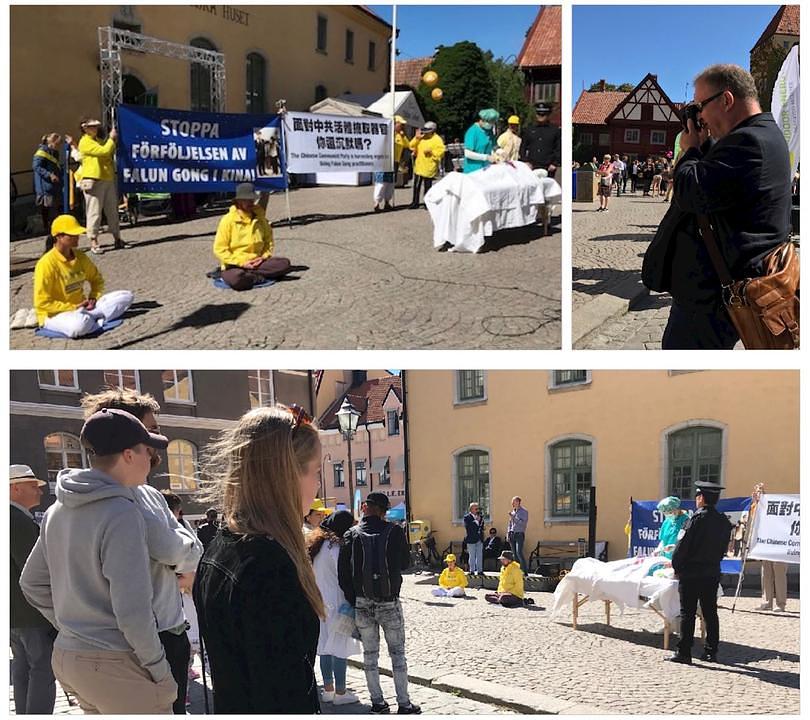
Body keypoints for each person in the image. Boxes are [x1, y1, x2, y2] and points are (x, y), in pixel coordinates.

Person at [20, 409, 177, 713]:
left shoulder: (57, 510)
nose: (152, 459)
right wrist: (160, 670)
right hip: (116, 663)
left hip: (70, 658)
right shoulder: (121, 513)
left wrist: (71, 624)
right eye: (148, 450)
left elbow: (32, 582)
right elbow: (133, 611)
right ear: (129, 455)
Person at [192, 404, 324, 713]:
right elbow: (282, 693)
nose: (318, 485)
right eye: (316, 472)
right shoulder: (269, 568)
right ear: (288, 476)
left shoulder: (221, 544)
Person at [79, 388, 203, 715]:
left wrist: (184, 550)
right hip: (150, 635)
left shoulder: (147, 492)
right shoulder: (125, 496)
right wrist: (184, 553)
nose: (157, 438)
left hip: (164, 626)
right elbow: (171, 547)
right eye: (151, 430)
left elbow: (185, 545)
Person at [655, 64, 791, 349]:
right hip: (718, 291)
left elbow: (690, 192)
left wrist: (690, 148)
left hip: (712, 301)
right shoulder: (763, 134)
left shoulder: (748, 141)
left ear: (727, 100)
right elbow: (718, 187)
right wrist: (703, 147)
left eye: (700, 106)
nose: (700, 117)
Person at [338, 492, 421, 714]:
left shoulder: (351, 534)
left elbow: (343, 574)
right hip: (388, 602)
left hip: (363, 603)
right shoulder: (394, 532)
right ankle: (404, 703)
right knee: (397, 654)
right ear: (384, 511)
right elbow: (405, 563)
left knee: (370, 656)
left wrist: (353, 599)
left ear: (365, 507)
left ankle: (377, 703)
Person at [33, 214, 134, 338]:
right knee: (78, 326)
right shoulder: (46, 263)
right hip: (56, 315)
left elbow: (96, 279)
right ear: (59, 236)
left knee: (127, 296)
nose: (77, 238)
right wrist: (73, 307)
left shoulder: (80, 256)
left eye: (77, 234)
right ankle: (95, 320)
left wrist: (93, 297)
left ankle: (92, 317)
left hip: (83, 308)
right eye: (72, 235)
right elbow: (41, 303)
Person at [668, 481, 733, 665]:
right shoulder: (723, 522)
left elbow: (682, 548)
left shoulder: (694, 520)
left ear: (701, 498)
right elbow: (723, 549)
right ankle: (711, 651)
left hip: (691, 573)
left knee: (687, 613)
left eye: (697, 497)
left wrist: (677, 567)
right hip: (711, 572)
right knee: (710, 612)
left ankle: (684, 652)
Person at [10, 465, 56, 715]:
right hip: (32, 612)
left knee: (23, 668)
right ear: (15, 488)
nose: (39, 491)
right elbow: (36, 570)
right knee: (41, 669)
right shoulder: (15, 520)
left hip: (17, 613)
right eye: (32, 486)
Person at [306, 510, 362, 706]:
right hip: (339, 601)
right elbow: (344, 577)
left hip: (320, 600)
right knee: (339, 645)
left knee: (325, 646)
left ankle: (328, 690)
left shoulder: (318, 546)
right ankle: (341, 692)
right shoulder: (337, 548)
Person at [213, 182, 292, 290]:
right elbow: (219, 249)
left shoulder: (260, 217)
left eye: (252, 199)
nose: (251, 202)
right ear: (238, 201)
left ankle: (252, 276)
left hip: (257, 262)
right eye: (247, 200)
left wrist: (263, 257)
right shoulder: (227, 220)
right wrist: (241, 263)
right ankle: (254, 276)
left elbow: (269, 242)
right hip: (235, 264)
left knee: (284, 264)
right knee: (236, 278)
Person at [77, 117, 124, 253]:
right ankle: (93, 241)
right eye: (91, 127)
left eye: (96, 126)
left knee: (112, 211)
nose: (95, 129)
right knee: (94, 212)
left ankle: (117, 238)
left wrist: (111, 141)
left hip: (106, 178)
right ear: (85, 129)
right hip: (94, 180)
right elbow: (103, 151)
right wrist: (111, 139)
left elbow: (107, 152)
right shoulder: (84, 142)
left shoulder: (97, 141)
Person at [373, 115, 409, 211]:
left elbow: (407, 145)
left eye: (402, 125)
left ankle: (387, 202)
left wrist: (403, 136)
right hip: (384, 160)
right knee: (381, 181)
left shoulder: (400, 135)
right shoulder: (387, 133)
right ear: (395, 124)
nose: (401, 126)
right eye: (400, 124)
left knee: (391, 182)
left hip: (395, 162)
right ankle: (377, 202)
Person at [33, 133, 63, 244]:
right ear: (51, 142)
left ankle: (54, 231)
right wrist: (49, 175)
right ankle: (49, 232)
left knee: (54, 209)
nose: (58, 146)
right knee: (49, 209)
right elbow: (36, 166)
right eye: (57, 143)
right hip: (45, 187)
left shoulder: (54, 153)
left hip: (54, 186)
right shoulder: (41, 153)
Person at [519, 102, 561, 179]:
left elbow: (558, 148)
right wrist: (525, 161)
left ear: (548, 115)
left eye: (543, 114)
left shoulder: (555, 130)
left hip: (548, 166)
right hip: (531, 166)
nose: (540, 117)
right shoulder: (529, 129)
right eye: (538, 114)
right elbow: (523, 147)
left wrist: (555, 163)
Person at [408, 121, 445, 208]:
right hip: (419, 164)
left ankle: (427, 203)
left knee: (428, 186)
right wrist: (417, 138)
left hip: (429, 165)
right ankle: (415, 202)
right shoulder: (421, 137)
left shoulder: (437, 139)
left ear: (433, 130)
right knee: (416, 185)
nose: (425, 132)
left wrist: (432, 152)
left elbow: (441, 152)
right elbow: (411, 146)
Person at [463, 109, 498, 174]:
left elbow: (494, 146)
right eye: (490, 122)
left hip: (486, 170)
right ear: (482, 120)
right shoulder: (472, 131)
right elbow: (467, 153)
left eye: (493, 123)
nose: (491, 125)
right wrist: (486, 157)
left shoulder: (488, 131)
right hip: (473, 171)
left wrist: (501, 152)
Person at [507, 496, 529, 574]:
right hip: (512, 534)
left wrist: (514, 518)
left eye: (514, 502)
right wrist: (508, 533)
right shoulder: (513, 512)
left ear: (518, 502)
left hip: (519, 534)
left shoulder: (524, 512)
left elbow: (522, 524)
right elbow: (510, 524)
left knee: (519, 552)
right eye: (512, 502)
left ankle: (524, 571)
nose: (512, 503)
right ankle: (517, 571)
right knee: (514, 554)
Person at [463, 501, 485, 576]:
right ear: (471, 509)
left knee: (479, 555)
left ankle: (480, 570)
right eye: (476, 509)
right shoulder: (467, 517)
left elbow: (482, 527)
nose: (477, 510)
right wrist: (476, 521)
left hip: (479, 538)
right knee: (472, 555)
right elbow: (468, 527)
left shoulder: (480, 517)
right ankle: (472, 570)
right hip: (471, 539)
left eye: (478, 509)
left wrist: (480, 522)